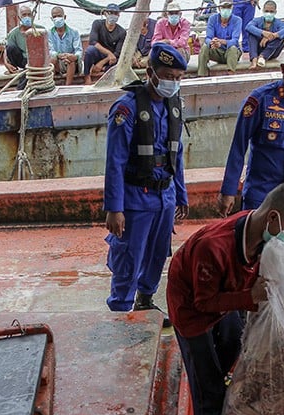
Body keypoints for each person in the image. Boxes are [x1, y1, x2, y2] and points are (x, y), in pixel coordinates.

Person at [167, 182, 284, 415]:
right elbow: (202, 303)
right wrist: (250, 296)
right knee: (208, 392)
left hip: (228, 298)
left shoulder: (262, 236)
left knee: (236, 358)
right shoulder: (213, 247)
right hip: (192, 312)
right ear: (273, 218)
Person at [103, 43, 189, 328]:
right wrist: (114, 209)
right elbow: (115, 161)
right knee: (129, 256)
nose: (173, 83)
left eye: (178, 78)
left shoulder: (173, 105)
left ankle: (145, 301)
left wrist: (181, 194)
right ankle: (120, 310)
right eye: (168, 76)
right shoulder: (126, 108)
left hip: (165, 196)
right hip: (135, 199)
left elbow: (176, 154)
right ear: (150, 72)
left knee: (157, 253)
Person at [218, 39, 284, 221]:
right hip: (260, 193)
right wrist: (228, 190)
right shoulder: (260, 100)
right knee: (253, 237)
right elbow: (238, 147)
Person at [83, 3, 126, 85]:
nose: (113, 15)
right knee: (89, 50)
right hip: (100, 53)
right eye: (110, 13)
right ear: (105, 14)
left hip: (111, 59)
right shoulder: (97, 24)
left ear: (119, 15)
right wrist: (108, 53)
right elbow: (93, 41)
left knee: (119, 60)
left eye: (115, 13)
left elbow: (117, 52)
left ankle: (105, 71)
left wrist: (102, 62)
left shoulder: (122, 32)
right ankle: (87, 76)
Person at [197, 0, 242, 77]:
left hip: (231, 52)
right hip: (217, 50)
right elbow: (208, 38)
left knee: (233, 48)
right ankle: (202, 75)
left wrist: (221, 42)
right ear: (219, 8)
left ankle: (231, 75)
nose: (226, 10)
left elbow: (235, 40)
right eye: (223, 7)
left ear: (232, 8)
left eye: (228, 7)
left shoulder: (237, 20)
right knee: (204, 47)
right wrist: (212, 42)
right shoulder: (212, 18)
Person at [245, 0, 284, 69]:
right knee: (252, 34)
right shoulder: (258, 20)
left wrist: (272, 36)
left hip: (271, 51)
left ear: (275, 12)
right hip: (258, 48)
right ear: (263, 10)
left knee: (280, 37)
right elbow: (248, 27)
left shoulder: (278, 23)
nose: (269, 13)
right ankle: (254, 59)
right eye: (266, 11)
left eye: (271, 12)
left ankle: (262, 56)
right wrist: (263, 33)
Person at [4, 4, 45, 74]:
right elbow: (7, 48)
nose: (27, 17)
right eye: (24, 15)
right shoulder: (13, 33)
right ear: (19, 17)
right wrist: (6, 63)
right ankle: (14, 69)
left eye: (29, 15)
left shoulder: (40, 29)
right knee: (10, 47)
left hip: (36, 59)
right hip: (22, 59)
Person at [48, 7, 83, 86]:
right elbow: (50, 50)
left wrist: (74, 56)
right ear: (51, 19)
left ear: (64, 17)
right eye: (54, 16)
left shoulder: (74, 32)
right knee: (52, 60)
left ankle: (67, 85)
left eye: (59, 16)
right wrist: (59, 55)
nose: (57, 18)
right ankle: (51, 84)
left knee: (70, 61)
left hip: (72, 61)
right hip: (58, 61)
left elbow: (79, 50)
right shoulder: (49, 33)